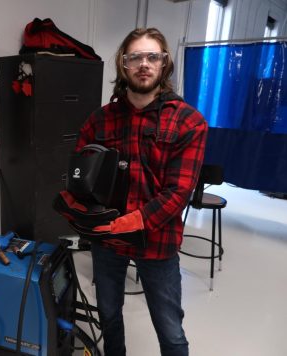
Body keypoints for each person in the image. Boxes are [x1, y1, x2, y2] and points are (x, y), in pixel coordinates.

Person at [74, 28, 208, 356]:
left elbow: (178, 193)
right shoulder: (100, 120)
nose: (143, 64)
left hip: (157, 242)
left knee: (170, 330)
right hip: (108, 238)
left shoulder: (188, 122)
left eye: (153, 57)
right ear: (123, 65)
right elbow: (81, 176)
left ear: (164, 64)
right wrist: (76, 207)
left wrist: (133, 221)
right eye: (135, 57)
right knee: (107, 313)